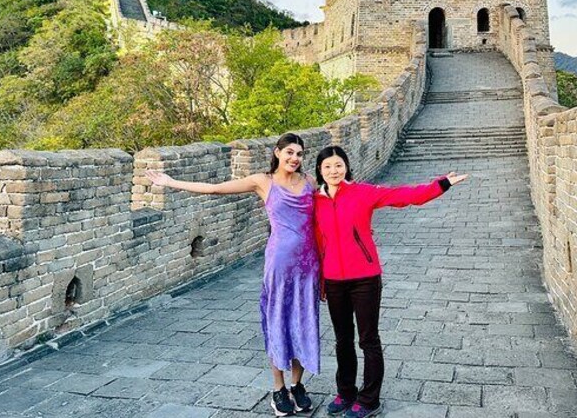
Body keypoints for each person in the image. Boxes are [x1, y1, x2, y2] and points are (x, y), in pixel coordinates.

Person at [145, 133, 320, 417]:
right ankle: (278, 389)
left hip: (308, 265)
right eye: (289, 152)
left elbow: (336, 205)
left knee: (304, 322)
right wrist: (170, 182)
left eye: (299, 154)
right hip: (278, 263)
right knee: (278, 322)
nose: (294, 158)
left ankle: (297, 385)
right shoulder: (263, 181)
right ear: (277, 153)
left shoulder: (310, 183)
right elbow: (215, 189)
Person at [313, 145, 468, 418]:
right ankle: (345, 391)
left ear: (346, 166)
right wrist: (322, 281)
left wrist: (441, 184)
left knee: (368, 339)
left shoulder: (363, 193)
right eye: (327, 167)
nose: (334, 171)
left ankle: (369, 399)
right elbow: (318, 241)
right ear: (320, 171)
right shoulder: (316, 201)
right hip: (334, 280)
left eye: (338, 165)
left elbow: (405, 196)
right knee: (342, 340)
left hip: (365, 278)